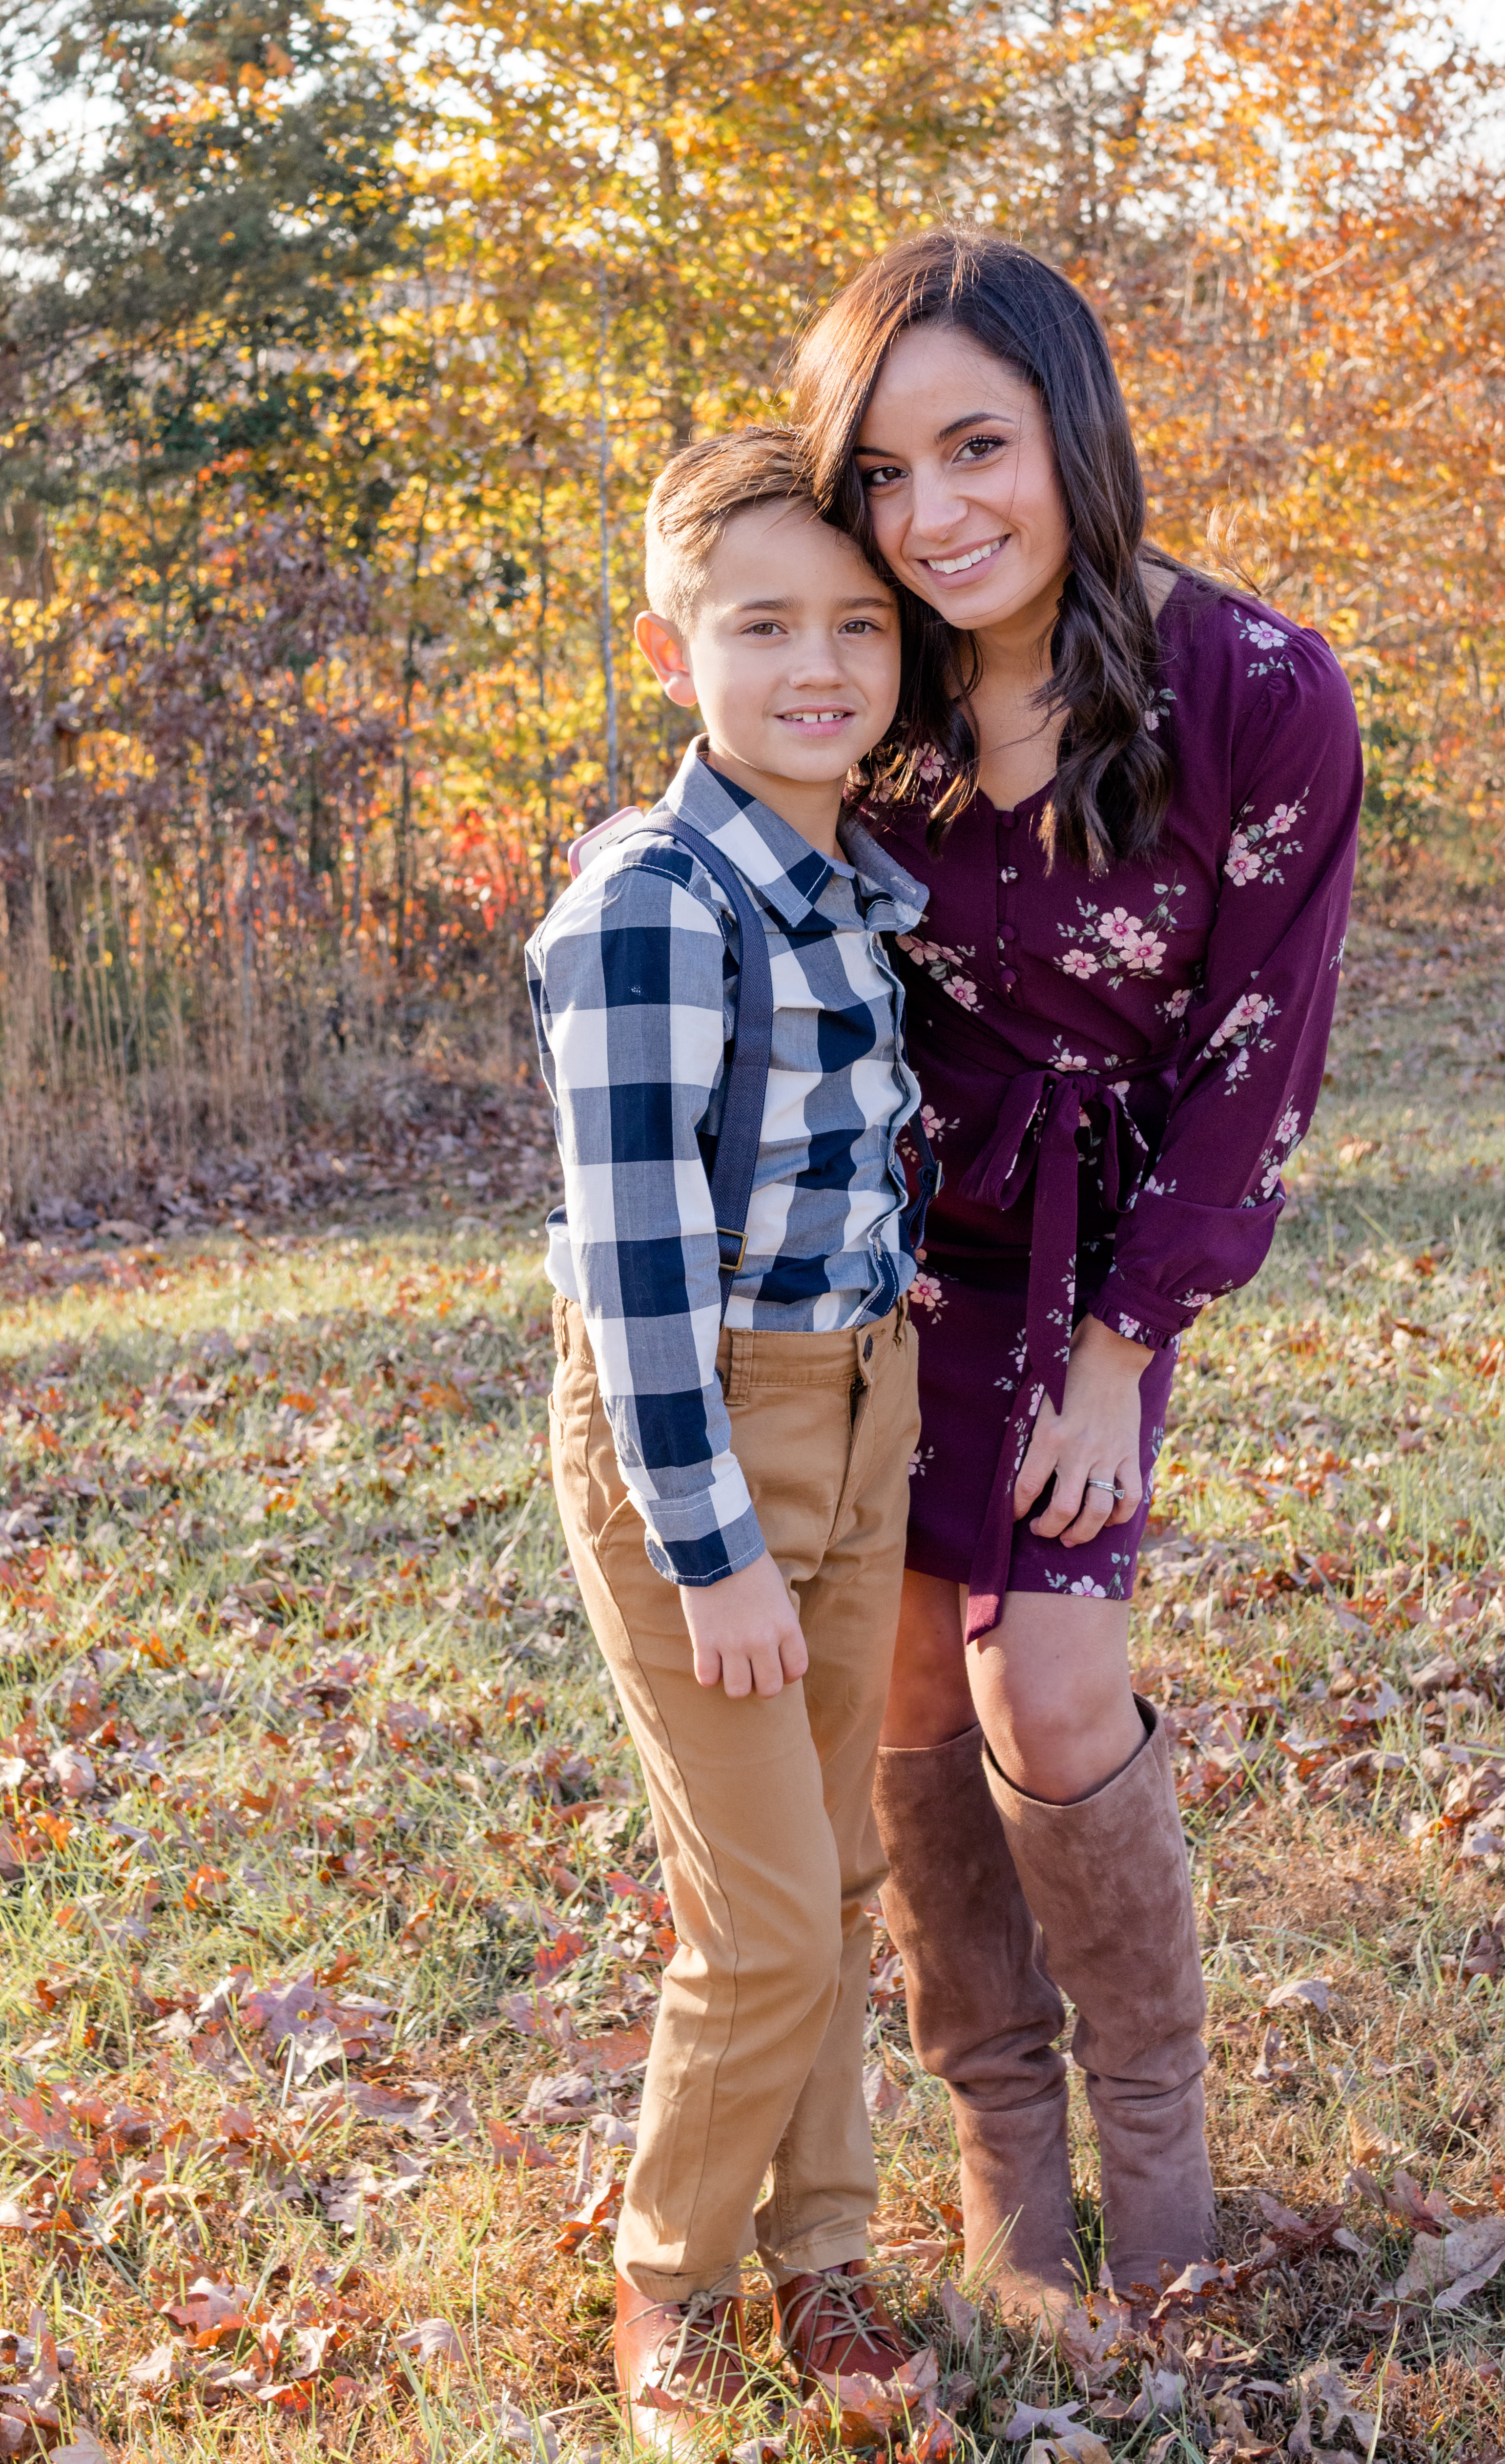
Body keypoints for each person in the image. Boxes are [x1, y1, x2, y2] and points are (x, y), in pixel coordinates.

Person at [789, 230, 1363, 2321]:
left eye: (974, 449)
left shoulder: (1256, 692)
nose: (931, 516)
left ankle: (1164, 2186)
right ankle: (1008, 2198)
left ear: (1071, 435)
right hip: (880, 1256)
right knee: (919, 1685)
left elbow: (1257, 1047)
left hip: (1090, 1261)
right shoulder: (865, 693)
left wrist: (1128, 1344)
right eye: (881, 473)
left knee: (1055, 1683)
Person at [525, 427, 935, 2453]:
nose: (820, 663)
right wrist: (712, 1546)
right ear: (671, 645)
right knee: (764, 1908)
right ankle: (665, 2281)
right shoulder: (648, 909)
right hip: (699, 1438)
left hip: (864, 1403)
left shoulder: (850, 881)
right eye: (763, 622)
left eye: (857, 623)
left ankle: (822, 2250)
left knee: (838, 1867)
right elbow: (634, 1268)